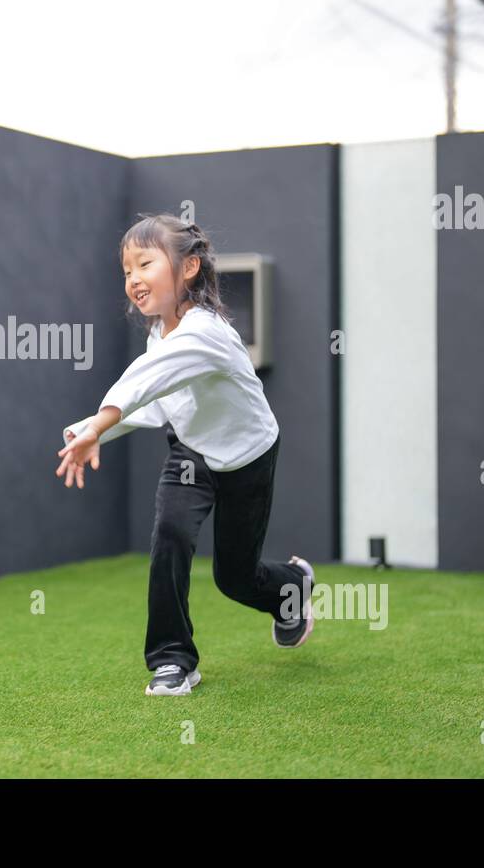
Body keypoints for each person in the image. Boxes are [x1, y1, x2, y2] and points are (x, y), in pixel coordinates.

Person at [55, 212, 315, 695]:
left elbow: (146, 380)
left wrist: (97, 423)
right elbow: (152, 401)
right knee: (169, 537)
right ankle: (173, 660)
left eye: (145, 264)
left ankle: (290, 589)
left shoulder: (205, 333)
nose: (133, 278)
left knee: (234, 579)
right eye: (127, 269)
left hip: (247, 456)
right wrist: (89, 432)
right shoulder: (159, 335)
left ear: (189, 268)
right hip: (190, 452)